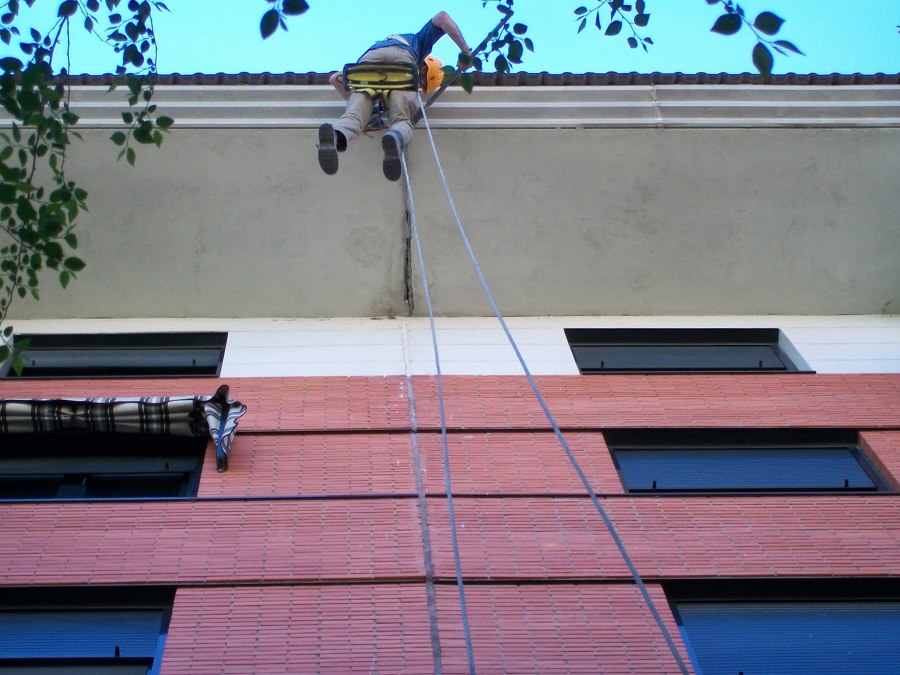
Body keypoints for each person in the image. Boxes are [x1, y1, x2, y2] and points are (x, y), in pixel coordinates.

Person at [317, 11, 472, 181]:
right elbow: (442, 17)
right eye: (421, 81)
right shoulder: (419, 42)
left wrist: (369, 112)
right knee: (401, 120)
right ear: (422, 67)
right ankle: (395, 138)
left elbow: (335, 79)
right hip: (402, 63)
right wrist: (466, 52)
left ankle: (335, 135)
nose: (418, 86)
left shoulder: (388, 42)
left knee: (353, 117)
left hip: (368, 62)